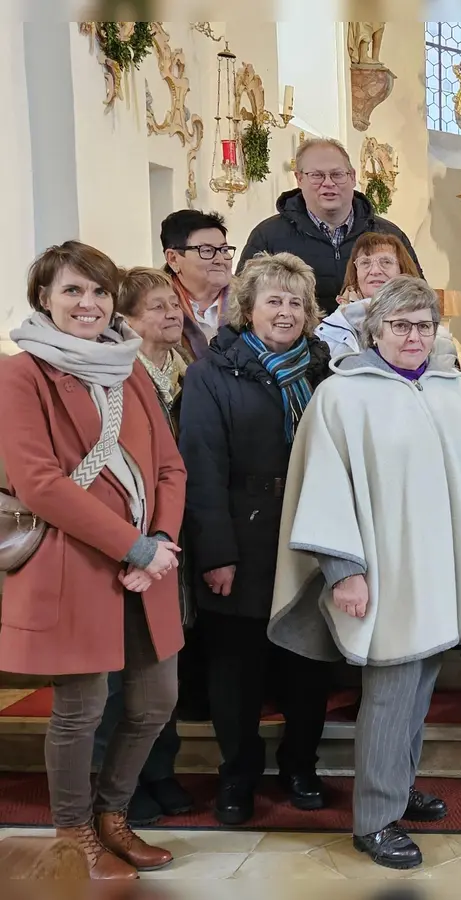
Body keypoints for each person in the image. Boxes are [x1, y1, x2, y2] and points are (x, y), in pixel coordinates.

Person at [268, 276, 461, 870]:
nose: (414, 336)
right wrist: (345, 570)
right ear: (375, 330)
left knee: (419, 688)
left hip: (438, 569)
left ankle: (397, 786)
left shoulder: (454, 391)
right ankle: (374, 819)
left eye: (425, 325)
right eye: (401, 325)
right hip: (383, 572)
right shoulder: (343, 397)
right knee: (391, 692)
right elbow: (323, 486)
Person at [0, 242, 186, 880]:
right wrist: (130, 546)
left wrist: (158, 540)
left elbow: (168, 466)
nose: (89, 304)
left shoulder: (128, 366)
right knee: (80, 709)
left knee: (155, 701)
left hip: (146, 565)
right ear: (45, 299)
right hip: (70, 562)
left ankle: (113, 815)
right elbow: (39, 483)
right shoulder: (21, 375)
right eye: (73, 291)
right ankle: (72, 832)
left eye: (100, 292)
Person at [179, 252, 335, 826]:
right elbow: (200, 465)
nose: (286, 311)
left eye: (297, 302)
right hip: (242, 532)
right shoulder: (212, 373)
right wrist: (216, 552)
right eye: (274, 300)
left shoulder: (325, 371)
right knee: (237, 666)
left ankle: (301, 766)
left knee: (306, 660)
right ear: (246, 308)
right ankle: (238, 775)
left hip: (310, 530)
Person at [83, 268, 197, 827]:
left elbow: (174, 464)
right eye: (157, 307)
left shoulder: (184, 370)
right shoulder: (114, 373)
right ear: (127, 320)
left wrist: (166, 536)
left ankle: (160, 771)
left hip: (167, 536)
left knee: (161, 660)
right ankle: (114, 784)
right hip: (118, 541)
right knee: (116, 675)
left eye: (174, 305)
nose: (172, 314)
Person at [237, 138, 423, 314]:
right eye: (316, 175)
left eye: (337, 174)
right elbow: (243, 302)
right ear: (299, 179)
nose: (328, 183)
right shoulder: (268, 235)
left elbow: (419, 297)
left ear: (352, 177)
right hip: (295, 345)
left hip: (375, 342)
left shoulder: (388, 234)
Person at [316, 232, 424, 358]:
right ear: (355, 273)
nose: (375, 271)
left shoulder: (427, 325)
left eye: (386, 262)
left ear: (402, 269)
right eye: (365, 263)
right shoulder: (329, 331)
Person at [159, 208, 230, 358]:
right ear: (173, 259)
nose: (220, 260)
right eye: (206, 250)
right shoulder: (153, 307)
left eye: (223, 249)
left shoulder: (251, 300)